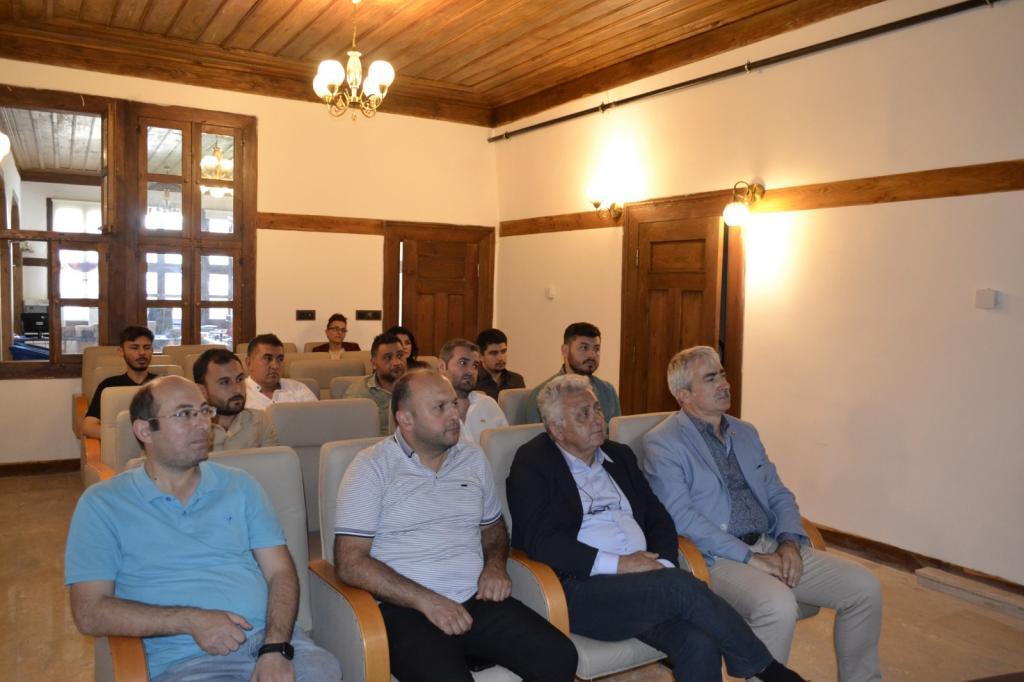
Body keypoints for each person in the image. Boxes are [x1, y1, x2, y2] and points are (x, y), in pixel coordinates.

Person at [507, 374, 805, 682]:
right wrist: (622, 564)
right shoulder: (533, 462)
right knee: (679, 586)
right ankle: (766, 669)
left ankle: (755, 663)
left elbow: (658, 517)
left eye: (596, 409)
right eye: (582, 415)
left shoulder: (619, 455)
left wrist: (661, 563)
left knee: (700, 644)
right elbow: (541, 540)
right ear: (556, 430)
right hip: (583, 590)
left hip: (647, 585)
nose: (596, 419)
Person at [64, 375, 341, 681]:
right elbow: (88, 611)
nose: (203, 424)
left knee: (323, 670)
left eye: (204, 411)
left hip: (269, 642)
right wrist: (191, 620)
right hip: (187, 661)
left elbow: (280, 572)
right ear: (144, 430)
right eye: (185, 414)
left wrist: (275, 647)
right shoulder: (104, 504)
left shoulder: (241, 485)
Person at [642, 346, 882, 681]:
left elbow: (778, 493)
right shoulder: (663, 442)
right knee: (777, 605)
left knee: (864, 587)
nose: (724, 384)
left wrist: (789, 542)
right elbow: (681, 517)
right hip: (715, 556)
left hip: (770, 543)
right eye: (711, 379)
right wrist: (750, 558)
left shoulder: (745, 432)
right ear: (684, 395)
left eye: (722, 374)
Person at [333, 370, 578, 682]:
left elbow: (493, 527)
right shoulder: (371, 467)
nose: (455, 415)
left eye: (453, 404)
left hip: (476, 598)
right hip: (406, 608)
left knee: (559, 658)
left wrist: (495, 566)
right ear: (405, 419)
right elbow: (350, 562)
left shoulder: (472, 458)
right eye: (440, 408)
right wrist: (427, 601)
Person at [523, 322, 620, 424]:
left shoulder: (608, 391)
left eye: (596, 349)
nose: (592, 355)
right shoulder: (542, 395)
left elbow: (617, 432)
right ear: (565, 350)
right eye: (584, 348)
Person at [193, 347, 278, 451]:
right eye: (225, 382)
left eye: (240, 379)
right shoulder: (189, 429)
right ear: (202, 390)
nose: (237, 389)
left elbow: (273, 461)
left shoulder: (260, 420)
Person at [81, 325, 157, 439]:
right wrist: (126, 438)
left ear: (152, 350)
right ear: (121, 352)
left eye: (146, 347)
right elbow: (88, 426)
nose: (142, 352)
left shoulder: (163, 384)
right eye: (134, 347)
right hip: (119, 445)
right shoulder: (109, 386)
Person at [437, 338, 508, 445]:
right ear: (442, 367)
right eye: (463, 363)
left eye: (475, 365)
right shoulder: (429, 409)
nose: (471, 371)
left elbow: (506, 446)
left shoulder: (488, 404)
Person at [344, 332, 407, 435]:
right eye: (388, 357)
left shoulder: (418, 388)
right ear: (373, 364)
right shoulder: (357, 393)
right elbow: (349, 433)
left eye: (400, 355)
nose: (396, 362)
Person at [244, 333, 317, 410]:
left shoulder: (299, 389)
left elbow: (318, 416)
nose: (275, 366)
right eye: (268, 358)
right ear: (249, 363)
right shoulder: (240, 394)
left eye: (280, 359)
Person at [473, 328, 526, 400]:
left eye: (503, 351)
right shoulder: (472, 381)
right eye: (494, 353)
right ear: (480, 356)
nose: (500, 358)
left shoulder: (516, 380)